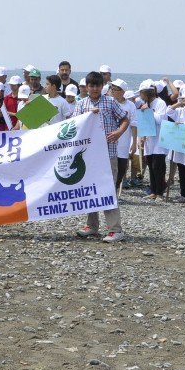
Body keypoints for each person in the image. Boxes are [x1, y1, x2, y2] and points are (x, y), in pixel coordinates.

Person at [73, 71, 129, 243]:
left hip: (108, 154)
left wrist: (119, 132)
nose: (94, 88)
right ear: (87, 87)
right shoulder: (82, 104)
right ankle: (92, 225)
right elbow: (74, 125)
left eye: (97, 85)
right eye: (91, 86)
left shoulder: (110, 102)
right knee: (91, 190)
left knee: (107, 190)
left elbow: (125, 119)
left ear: (102, 86)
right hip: (88, 156)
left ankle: (115, 229)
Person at [137, 79, 168, 200]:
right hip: (150, 139)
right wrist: (142, 137)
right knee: (150, 164)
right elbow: (144, 122)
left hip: (159, 140)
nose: (140, 96)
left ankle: (160, 191)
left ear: (147, 93)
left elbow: (160, 120)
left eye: (142, 93)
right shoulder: (147, 104)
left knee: (158, 166)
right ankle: (153, 190)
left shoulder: (160, 103)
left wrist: (149, 111)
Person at [109, 79, 137, 191]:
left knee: (121, 167)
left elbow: (134, 124)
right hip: (109, 141)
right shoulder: (108, 102)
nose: (113, 92)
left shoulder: (130, 105)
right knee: (109, 166)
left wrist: (134, 143)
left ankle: (115, 189)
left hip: (124, 141)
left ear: (122, 92)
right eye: (112, 89)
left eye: (115, 90)